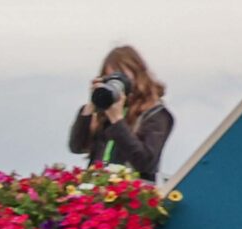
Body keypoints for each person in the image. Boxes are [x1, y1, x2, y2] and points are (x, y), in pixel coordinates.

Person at [70, 44, 174, 181]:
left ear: (138, 74)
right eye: (110, 77)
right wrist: (93, 103)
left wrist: (117, 121)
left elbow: (145, 162)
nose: (116, 83)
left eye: (122, 76)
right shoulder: (103, 111)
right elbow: (77, 146)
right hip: (96, 192)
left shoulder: (156, 114)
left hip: (133, 195)